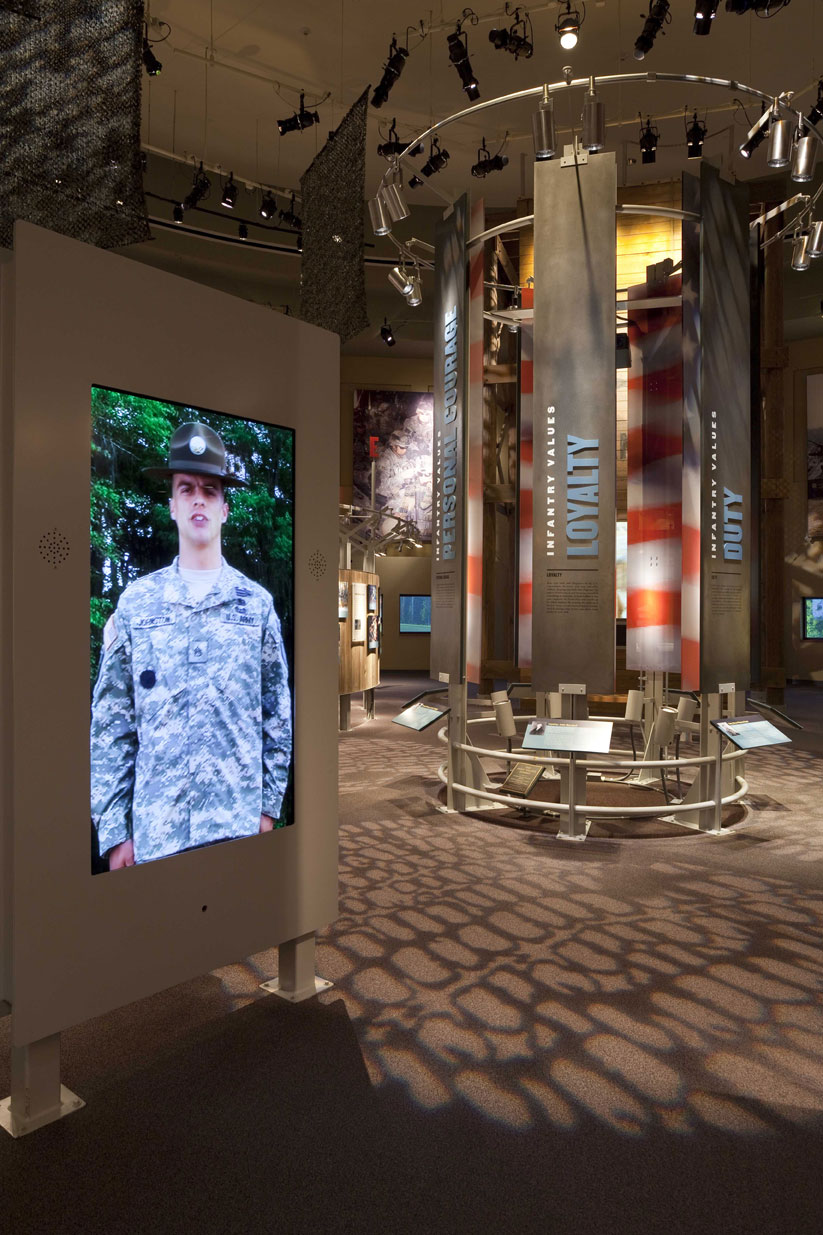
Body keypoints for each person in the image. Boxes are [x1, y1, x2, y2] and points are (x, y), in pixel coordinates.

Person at [91, 421, 291, 869]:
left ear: (224, 509)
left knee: (236, 939)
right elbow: (110, 726)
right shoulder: (136, 606)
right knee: (156, 939)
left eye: (210, 489)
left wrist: (267, 808)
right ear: (172, 507)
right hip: (157, 835)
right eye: (186, 489)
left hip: (236, 828)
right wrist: (115, 832)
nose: (198, 498)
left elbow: (277, 714)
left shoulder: (256, 607)